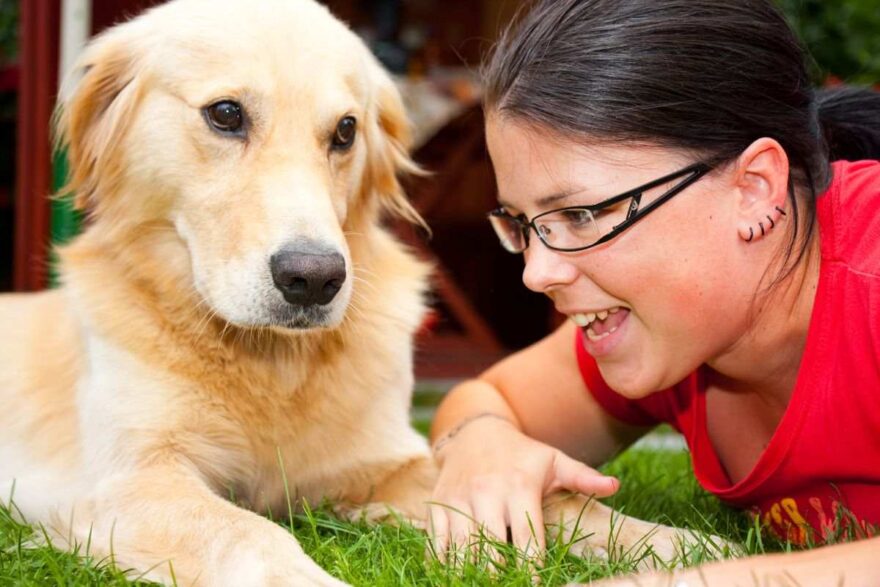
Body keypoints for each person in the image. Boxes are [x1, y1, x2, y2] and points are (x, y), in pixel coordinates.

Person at [427, 0, 880, 584]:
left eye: (582, 215)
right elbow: (489, 398)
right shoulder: (679, 325)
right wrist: (482, 444)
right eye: (523, 222)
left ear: (753, 188)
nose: (536, 273)